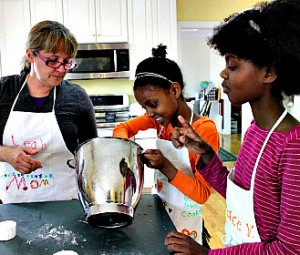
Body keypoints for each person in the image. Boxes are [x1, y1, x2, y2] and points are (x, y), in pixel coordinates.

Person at [164, 0, 300, 254]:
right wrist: (205, 153)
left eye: (233, 66)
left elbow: (289, 249)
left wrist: (207, 253)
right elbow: (241, 200)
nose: (223, 74)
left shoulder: (293, 147)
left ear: (269, 72)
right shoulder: (255, 131)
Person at [113, 44, 220, 247]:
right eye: (144, 107)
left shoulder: (203, 129)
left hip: (187, 221)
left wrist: (165, 166)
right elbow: (122, 128)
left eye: (152, 104)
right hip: (161, 211)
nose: (149, 113)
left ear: (175, 90)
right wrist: (128, 150)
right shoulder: (159, 121)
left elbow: (202, 194)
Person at [0, 20, 97, 204]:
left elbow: (91, 154)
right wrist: (6, 154)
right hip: (13, 204)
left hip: (66, 203)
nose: (61, 70)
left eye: (67, 61)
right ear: (30, 55)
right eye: (52, 60)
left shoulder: (76, 96)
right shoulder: (4, 90)